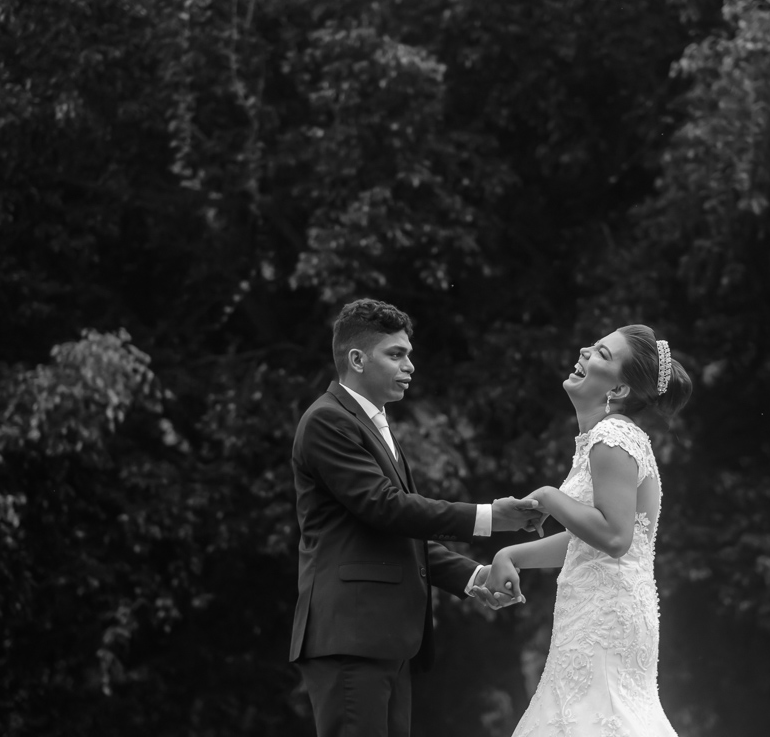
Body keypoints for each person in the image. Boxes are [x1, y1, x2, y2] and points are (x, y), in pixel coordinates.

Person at [290, 298, 543, 737]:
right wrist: (488, 517)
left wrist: (474, 576)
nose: (410, 365)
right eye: (396, 354)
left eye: (409, 354)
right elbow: (386, 507)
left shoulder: (375, 425)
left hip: (384, 638)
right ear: (357, 359)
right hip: (352, 634)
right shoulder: (327, 421)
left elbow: (393, 534)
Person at [477, 325, 693, 736]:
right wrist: (511, 555)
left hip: (606, 618)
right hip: (605, 608)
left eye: (602, 354)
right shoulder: (604, 439)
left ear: (620, 390)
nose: (584, 351)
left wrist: (548, 496)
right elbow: (589, 543)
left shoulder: (611, 437)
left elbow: (614, 537)